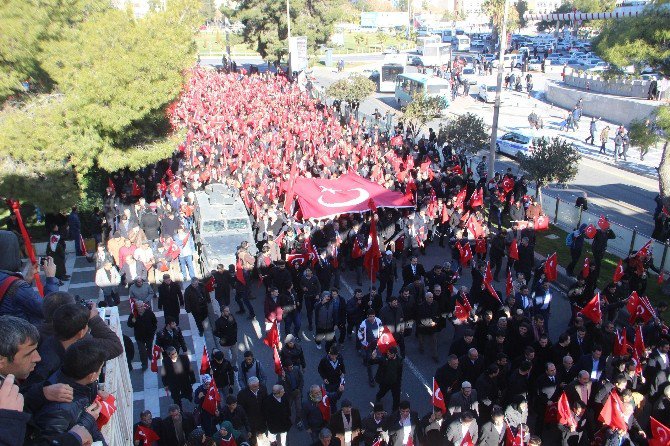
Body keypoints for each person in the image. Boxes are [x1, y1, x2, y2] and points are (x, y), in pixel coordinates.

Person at [0, 315, 92, 446]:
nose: (38, 358)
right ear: (1, 361)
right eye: (29, 353)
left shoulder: (5, 381)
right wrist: (73, 439)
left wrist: (41, 393)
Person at [33, 340, 109, 445]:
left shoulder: (82, 383)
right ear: (91, 375)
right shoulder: (58, 410)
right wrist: (87, 421)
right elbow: (52, 442)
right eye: (101, 368)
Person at [0, 232, 58, 323]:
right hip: (21, 333)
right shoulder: (18, 288)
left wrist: (26, 280)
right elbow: (48, 310)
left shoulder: (13, 284)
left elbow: (11, 300)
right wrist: (51, 278)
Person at [370, 346, 403, 412]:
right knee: (382, 391)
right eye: (388, 353)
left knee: (396, 397)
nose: (388, 355)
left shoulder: (399, 360)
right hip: (385, 381)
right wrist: (372, 358)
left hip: (395, 382)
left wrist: (399, 382)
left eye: (390, 354)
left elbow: (399, 373)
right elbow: (372, 362)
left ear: (395, 354)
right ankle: (378, 397)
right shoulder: (383, 358)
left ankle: (395, 411)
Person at [127, 301, 158, 371]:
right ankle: (144, 364)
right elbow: (129, 324)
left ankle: (149, 354)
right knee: (142, 351)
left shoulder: (149, 313)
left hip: (149, 336)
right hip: (139, 337)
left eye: (141, 307)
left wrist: (153, 331)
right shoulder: (133, 315)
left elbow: (154, 322)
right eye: (138, 307)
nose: (140, 308)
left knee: (149, 347)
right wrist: (132, 322)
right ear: (136, 308)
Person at [237, 376, 267, 446]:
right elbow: (241, 409)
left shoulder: (263, 389)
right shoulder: (242, 395)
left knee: (261, 432)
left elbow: (266, 402)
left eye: (258, 386)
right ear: (249, 386)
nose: (257, 388)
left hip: (261, 418)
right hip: (250, 420)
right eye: (254, 387)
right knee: (252, 438)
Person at [317, 346, 346, 411]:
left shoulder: (340, 358)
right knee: (331, 397)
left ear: (337, 355)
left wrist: (343, 372)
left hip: (337, 381)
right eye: (331, 355)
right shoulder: (324, 360)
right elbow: (320, 369)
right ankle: (332, 408)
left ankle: (333, 402)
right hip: (329, 383)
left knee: (337, 395)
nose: (332, 357)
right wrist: (324, 378)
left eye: (334, 355)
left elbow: (342, 366)